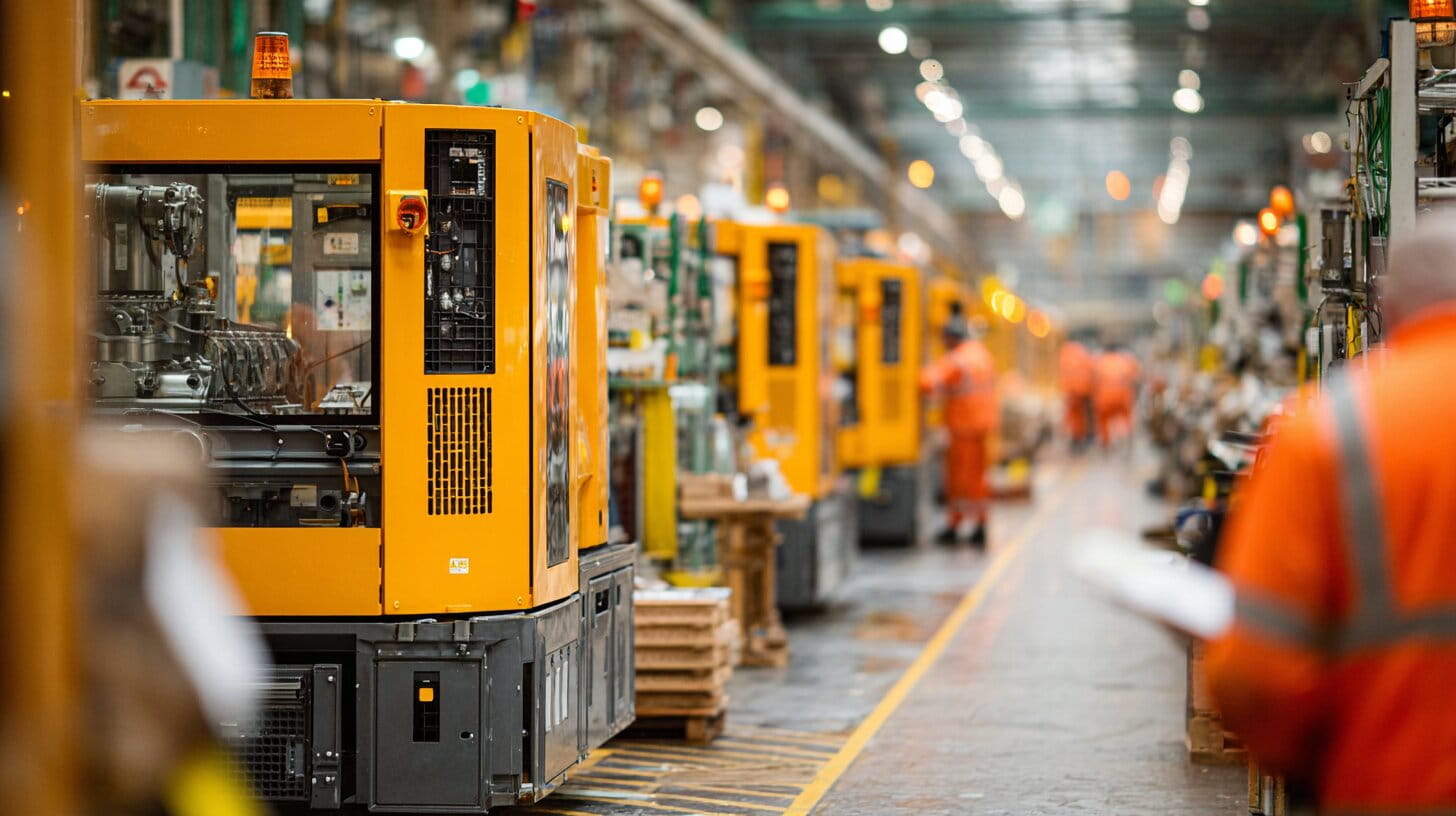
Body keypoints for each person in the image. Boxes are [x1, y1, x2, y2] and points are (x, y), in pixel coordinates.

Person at [1205, 217, 1456, 812]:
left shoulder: (1329, 429)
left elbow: (1255, 674)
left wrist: (1305, 762)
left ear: (1388, 313)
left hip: (1393, 789)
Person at [920, 315, 998, 546]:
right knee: (978, 476)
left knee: (958, 479)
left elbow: (927, 383)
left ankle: (955, 525)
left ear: (951, 338)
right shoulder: (983, 355)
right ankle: (980, 524)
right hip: (983, 425)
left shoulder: (958, 360)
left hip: (963, 427)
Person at [1092, 345, 1139, 448]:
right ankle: (1129, 438)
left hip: (1105, 397)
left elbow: (1094, 380)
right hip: (1122, 396)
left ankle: (1105, 442)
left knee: (1102, 420)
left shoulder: (1100, 361)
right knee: (1127, 417)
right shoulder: (1125, 360)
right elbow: (1134, 378)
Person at [1058, 340, 1095, 449]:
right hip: (1084, 390)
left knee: (1074, 416)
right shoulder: (1083, 355)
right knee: (1084, 415)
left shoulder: (1065, 355)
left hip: (1071, 391)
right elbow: (1092, 371)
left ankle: (1077, 438)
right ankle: (1086, 436)